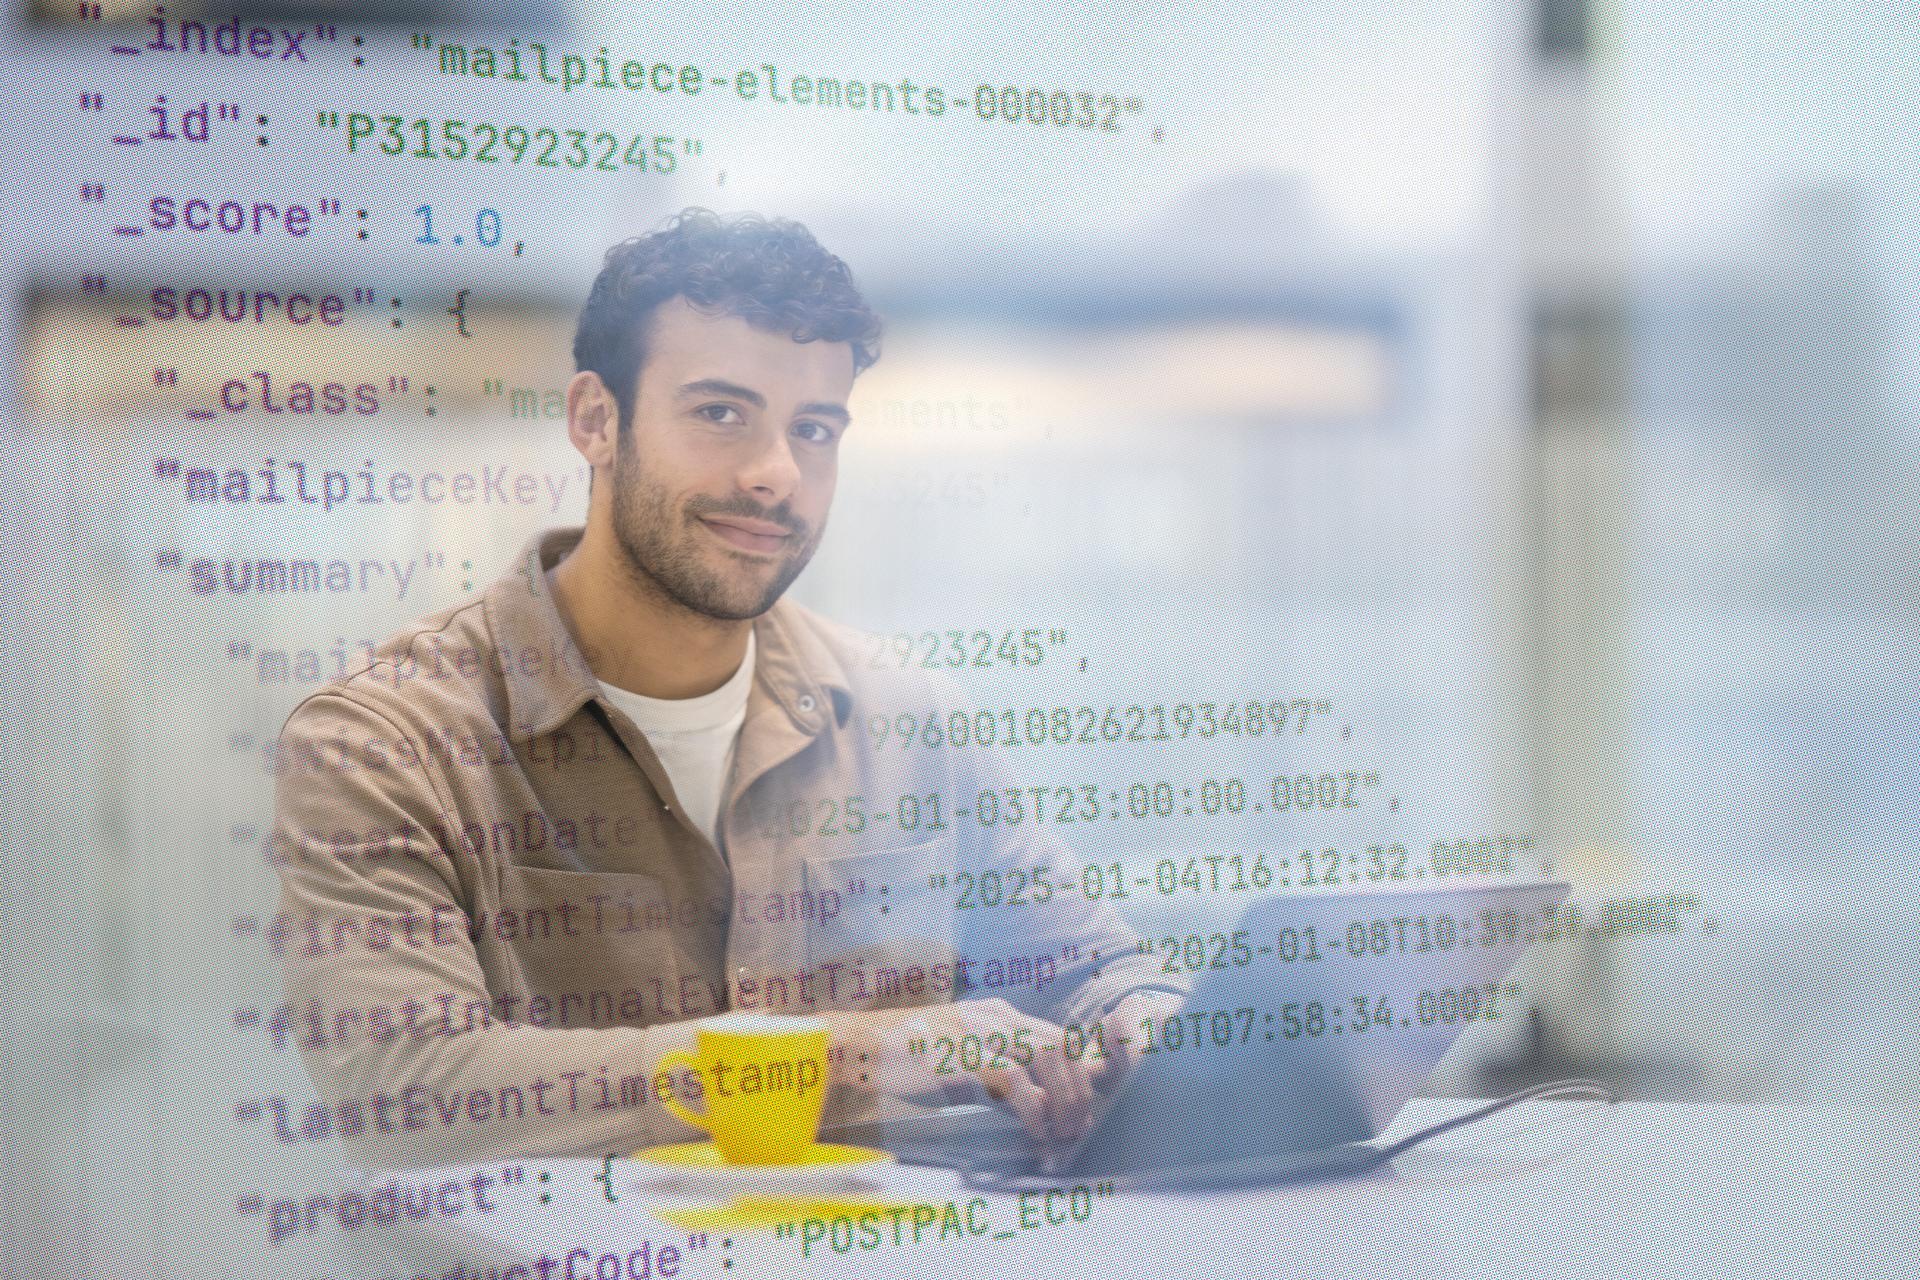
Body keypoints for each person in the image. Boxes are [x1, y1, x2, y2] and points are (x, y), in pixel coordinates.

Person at [271, 208, 1182, 1167]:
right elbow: (402, 1090)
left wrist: (1150, 1021)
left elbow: (1096, 969)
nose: (774, 474)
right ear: (595, 419)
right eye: (720, 414)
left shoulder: (906, 718)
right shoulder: (382, 742)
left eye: (815, 428)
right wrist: (840, 1057)